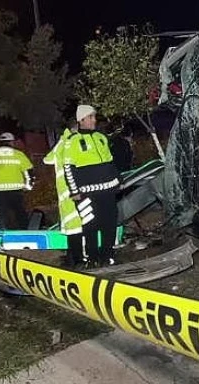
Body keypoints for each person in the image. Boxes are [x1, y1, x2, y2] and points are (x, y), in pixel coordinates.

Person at [60, 105, 120, 268]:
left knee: (110, 224)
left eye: (94, 116)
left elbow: (110, 161)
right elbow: (68, 168)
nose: (94, 120)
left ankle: (107, 256)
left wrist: (117, 181)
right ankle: (92, 259)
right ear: (81, 120)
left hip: (107, 190)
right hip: (86, 193)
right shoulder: (72, 141)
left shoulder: (101, 137)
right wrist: (74, 191)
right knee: (90, 226)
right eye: (90, 117)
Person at [44, 122, 85, 268]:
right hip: (75, 190)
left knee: (71, 226)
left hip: (63, 193)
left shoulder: (62, 143)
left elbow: (47, 159)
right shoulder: (74, 142)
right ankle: (78, 259)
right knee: (77, 225)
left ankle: (71, 258)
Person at [0, 132, 34, 229]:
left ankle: (4, 234)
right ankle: (25, 233)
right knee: (21, 215)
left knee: (2, 217)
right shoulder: (18, 154)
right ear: (12, 142)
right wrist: (28, 186)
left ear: (0, 142)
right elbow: (29, 172)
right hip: (17, 191)